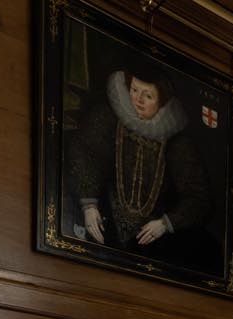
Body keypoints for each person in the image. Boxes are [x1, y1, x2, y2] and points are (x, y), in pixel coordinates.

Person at [65, 63, 216, 270]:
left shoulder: (177, 142)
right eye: (134, 90)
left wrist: (166, 224)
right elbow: (83, 153)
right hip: (104, 217)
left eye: (148, 96)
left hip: (155, 235)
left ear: (162, 101)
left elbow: (199, 196)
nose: (138, 99)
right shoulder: (108, 117)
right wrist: (89, 206)